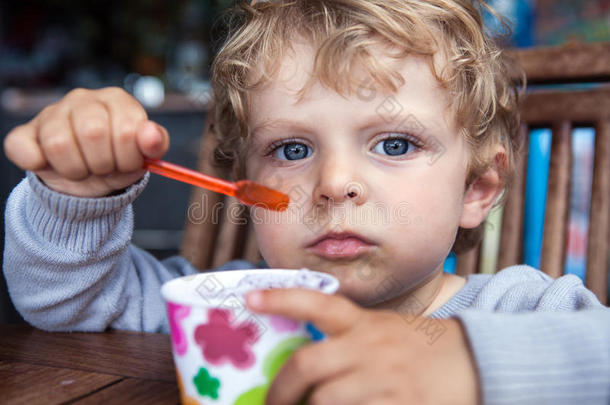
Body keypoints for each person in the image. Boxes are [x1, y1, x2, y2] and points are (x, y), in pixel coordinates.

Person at [3, 0, 609, 404]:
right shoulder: (230, 309)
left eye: (394, 143)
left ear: (477, 189)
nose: (334, 183)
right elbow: (73, 308)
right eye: (292, 150)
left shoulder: (527, 310)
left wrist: (476, 364)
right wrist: (76, 198)